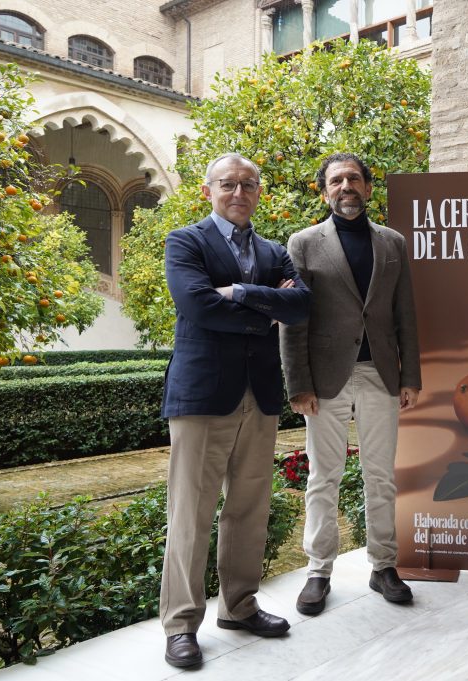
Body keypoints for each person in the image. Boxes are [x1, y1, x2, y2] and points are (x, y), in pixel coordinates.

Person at [159, 152, 310, 668]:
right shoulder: (185, 241)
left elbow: (302, 306)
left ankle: (239, 606)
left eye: (249, 185)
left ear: (258, 193)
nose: (239, 192)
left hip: (260, 394)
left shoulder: (273, 251)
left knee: (249, 508)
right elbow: (197, 304)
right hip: (204, 395)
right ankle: (181, 624)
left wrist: (243, 292)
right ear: (208, 191)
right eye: (228, 184)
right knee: (191, 514)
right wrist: (267, 309)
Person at [280, 152, 421, 615]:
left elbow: (405, 313)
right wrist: (298, 384)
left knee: (381, 475)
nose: (347, 186)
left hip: (380, 374)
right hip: (325, 381)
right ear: (325, 191)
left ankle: (383, 566)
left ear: (367, 187)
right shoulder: (302, 242)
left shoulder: (392, 242)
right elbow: (293, 319)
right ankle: (319, 570)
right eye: (337, 180)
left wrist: (410, 376)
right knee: (324, 476)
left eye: (354, 179)